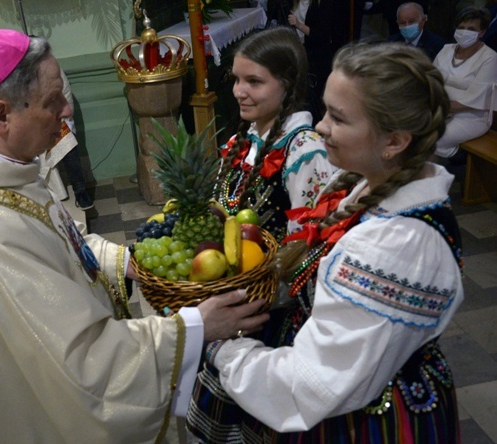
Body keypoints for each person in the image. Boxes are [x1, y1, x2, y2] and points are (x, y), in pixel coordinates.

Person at [0, 29, 269, 443]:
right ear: (0, 116)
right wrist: (194, 327)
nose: (67, 110)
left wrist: (127, 263)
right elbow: (84, 367)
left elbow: (61, 243)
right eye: (52, 101)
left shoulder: (1, 167)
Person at [187, 42, 463, 442]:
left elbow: (315, 383)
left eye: (338, 117)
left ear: (395, 141)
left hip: (370, 421)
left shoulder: (396, 246)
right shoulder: (368, 186)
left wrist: (220, 348)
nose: (320, 127)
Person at [214, 27, 335, 243]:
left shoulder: (304, 153)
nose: (238, 92)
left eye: (254, 81)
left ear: (287, 84)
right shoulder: (241, 142)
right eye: (237, 79)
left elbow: (303, 244)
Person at [433, 6, 497, 159]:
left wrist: (440, 107)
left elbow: (472, 99)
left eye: (471, 28)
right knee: (408, 128)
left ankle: (438, 175)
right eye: (461, 27)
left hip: (472, 116)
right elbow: (430, 81)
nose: (464, 31)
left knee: (434, 137)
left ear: (482, 33)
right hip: (438, 108)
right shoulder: (446, 49)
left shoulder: (490, 58)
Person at [287, 0, 334, 121]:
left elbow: (321, 35)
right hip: (296, 49)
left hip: (316, 55)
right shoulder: (294, 2)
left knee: (312, 98)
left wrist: (298, 24)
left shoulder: (322, 4)